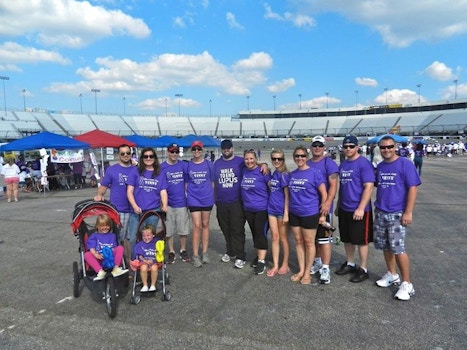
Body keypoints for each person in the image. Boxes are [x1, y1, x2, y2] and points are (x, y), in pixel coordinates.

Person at [374, 135, 421, 301]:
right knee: (385, 245)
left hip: (397, 212)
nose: (386, 150)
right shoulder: (380, 166)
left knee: (398, 248)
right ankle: (392, 274)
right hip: (380, 211)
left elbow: (413, 188)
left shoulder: (405, 164)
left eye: (389, 146)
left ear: (395, 147)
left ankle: (407, 283)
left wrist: (408, 211)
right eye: (383, 147)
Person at [335, 135, 375, 283]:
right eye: (345, 147)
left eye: (351, 146)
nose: (348, 149)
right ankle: (350, 263)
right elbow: (342, 187)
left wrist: (360, 207)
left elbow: (369, 187)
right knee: (347, 238)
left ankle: (363, 268)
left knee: (361, 241)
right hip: (345, 208)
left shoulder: (363, 164)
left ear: (357, 147)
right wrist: (339, 205)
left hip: (359, 209)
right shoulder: (344, 165)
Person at [288, 146, 327, 284]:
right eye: (297, 156)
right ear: (294, 158)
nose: (300, 158)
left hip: (309, 213)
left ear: (307, 157)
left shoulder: (314, 173)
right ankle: (301, 270)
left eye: (303, 156)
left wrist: (323, 214)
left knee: (309, 243)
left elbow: (324, 194)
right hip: (294, 213)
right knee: (298, 242)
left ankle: (307, 273)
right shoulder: (292, 174)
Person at [94, 144, 136, 260]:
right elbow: (104, 186)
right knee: (119, 238)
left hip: (135, 210)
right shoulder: (112, 170)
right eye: (123, 153)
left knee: (132, 239)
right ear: (119, 155)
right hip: (119, 209)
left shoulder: (136, 169)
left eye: (128, 153)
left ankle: (130, 262)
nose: (126, 155)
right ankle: (120, 262)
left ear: (131, 154)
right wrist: (99, 195)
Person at [307, 136, 339, 285]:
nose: (317, 147)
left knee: (325, 239)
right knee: (314, 239)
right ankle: (318, 261)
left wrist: (327, 203)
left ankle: (325, 268)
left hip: (324, 208)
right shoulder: (307, 163)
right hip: (310, 208)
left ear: (324, 147)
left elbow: (333, 185)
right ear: (311, 147)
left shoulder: (329, 163)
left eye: (320, 145)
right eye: (315, 145)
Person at [127, 147, 168, 254]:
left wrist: (165, 205)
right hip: (137, 212)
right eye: (145, 156)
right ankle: (135, 262)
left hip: (153, 211)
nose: (148, 158)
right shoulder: (135, 171)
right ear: (142, 158)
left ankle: (149, 260)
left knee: (149, 238)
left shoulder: (159, 173)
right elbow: (129, 191)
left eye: (151, 156)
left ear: (155, 158)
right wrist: (135, 206)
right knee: (133, 239)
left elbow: (163, 192)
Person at [241, 149, 271, 275]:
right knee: (254, 233)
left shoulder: (262, 171)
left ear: (256, 159)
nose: (249, 161)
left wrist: (265, 165)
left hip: (262, 209)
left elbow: (272, 186)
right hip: (248, 209)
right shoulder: (243, 170)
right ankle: (259, 256)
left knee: (260, 233)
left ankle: (262, 261)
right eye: (247, 159)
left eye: (251, 158)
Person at [186, 140, 215, 268]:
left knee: (205, 224)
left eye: (199, 149)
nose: (196, 152)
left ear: (202, 150)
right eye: (194, 149)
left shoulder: (209, 164)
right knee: (196, 225)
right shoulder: (188, 165)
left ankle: (205, 252)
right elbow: (186, 183)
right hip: (193, 198)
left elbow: (212, 182)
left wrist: (208, 193)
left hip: (207, 198)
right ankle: (196, 254)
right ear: (191, 151)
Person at [160, 143, 191, 264]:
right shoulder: (162, 167)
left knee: (183, 229)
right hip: (168, 203)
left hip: (182, 202)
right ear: (168, 152)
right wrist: (162, 203)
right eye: (172, 152)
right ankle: (171, 251)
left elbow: (187, 182)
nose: (174, 154)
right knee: (169, 229)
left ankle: (183, 249)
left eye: (176, 152)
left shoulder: (183, 165)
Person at [84, 214, 129, 281]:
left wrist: (111, 254)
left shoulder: (112, 236)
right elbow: (91, 248)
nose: (105, 227)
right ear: (97, 226)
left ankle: (116, 268)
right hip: (99, 258)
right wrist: (95, 254)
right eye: (102, 226)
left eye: (107, 226)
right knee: (87, 254)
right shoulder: (94, 236)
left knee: (120, 248)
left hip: (110, 258)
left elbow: (114, 247)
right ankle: (100, 271)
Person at [266, 149, 290, 276]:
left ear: (283, 160)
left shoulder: (284, 175)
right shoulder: (274, 173)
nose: (276, 161)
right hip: (271, 210)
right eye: (274, 159)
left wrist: (286, 213)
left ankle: (285, 264)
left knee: (283, 239)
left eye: (279, 159)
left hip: (281, 211)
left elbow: (287, 196)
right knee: (274, 238)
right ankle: (275, 265)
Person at [132, 224, 161, 292]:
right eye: (144, 236)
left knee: (154, 268)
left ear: (153, 235)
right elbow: (139, 255)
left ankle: (153, 285)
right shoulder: (140, 244)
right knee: (143, 267)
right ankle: (145, 285)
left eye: (148, 235)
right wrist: (145, 260)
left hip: (155, 262)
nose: (146, 237)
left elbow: (159, 253)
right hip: (143, 261)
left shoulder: (156, 243)